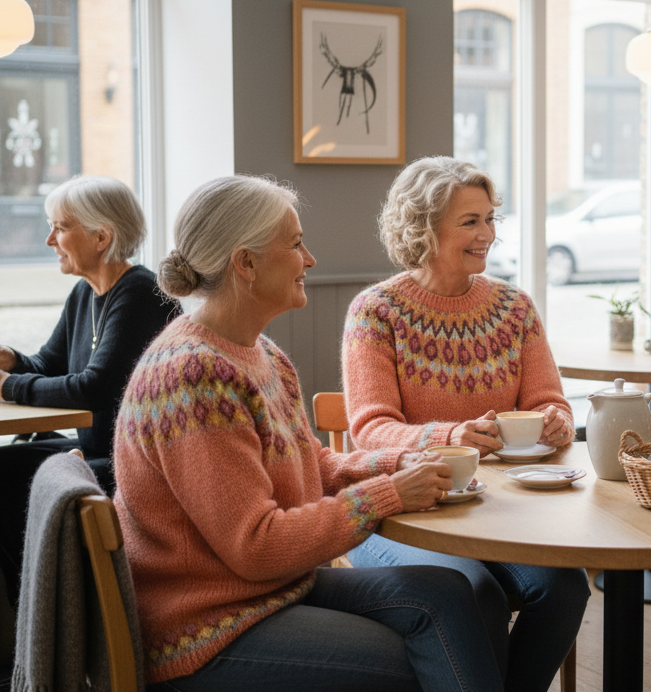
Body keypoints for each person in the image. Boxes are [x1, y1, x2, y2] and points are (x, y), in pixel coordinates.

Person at [112, 176, 505, 691]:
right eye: (295, 244)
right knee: (427, 651)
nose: (311, 259)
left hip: (269, 592)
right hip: (208, 629)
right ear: (245, 264)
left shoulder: (261, 354)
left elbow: (312, 466)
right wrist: (387, 495)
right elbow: (256, 545)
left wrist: (394, 466)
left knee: (463, 595)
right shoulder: (192, 377)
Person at [342, 156, 588, 692]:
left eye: (490, 218)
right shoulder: (376, 312)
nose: (488, 235)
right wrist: (447, 436)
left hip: (498, 512)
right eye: (470, 222)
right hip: (400, 513)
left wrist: (554, 422)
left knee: (565, 586)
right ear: (424, 228)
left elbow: (551, 401)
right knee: (476, 591)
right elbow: (371, 428)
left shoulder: (515, 308)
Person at [0, 175, 177, 611]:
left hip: (140, 469)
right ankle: (29, 609)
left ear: (102, 236)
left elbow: (96, 387)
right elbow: (48, 366)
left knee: (9, 474)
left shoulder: (140, 293)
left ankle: (36, 611)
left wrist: (9, 385)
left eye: (60, 227)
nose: (48, 239)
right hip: (100, 452)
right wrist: (13, 360)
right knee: (7, 463)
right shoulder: (86, 292)